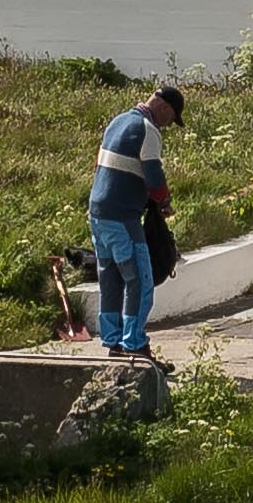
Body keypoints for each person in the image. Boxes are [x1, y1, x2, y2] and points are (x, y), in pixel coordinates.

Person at [86, 81, 184, 357]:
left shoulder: (118, 121)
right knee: (140, 281)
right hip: (123, 216)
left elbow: (99, 166)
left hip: (98, 214)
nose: (169, 124)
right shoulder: (148, 130)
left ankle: (113, 340)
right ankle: (135, 344)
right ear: (163, 108)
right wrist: (164, 203)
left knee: (111, 279)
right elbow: (153, 175)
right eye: (172, 117)